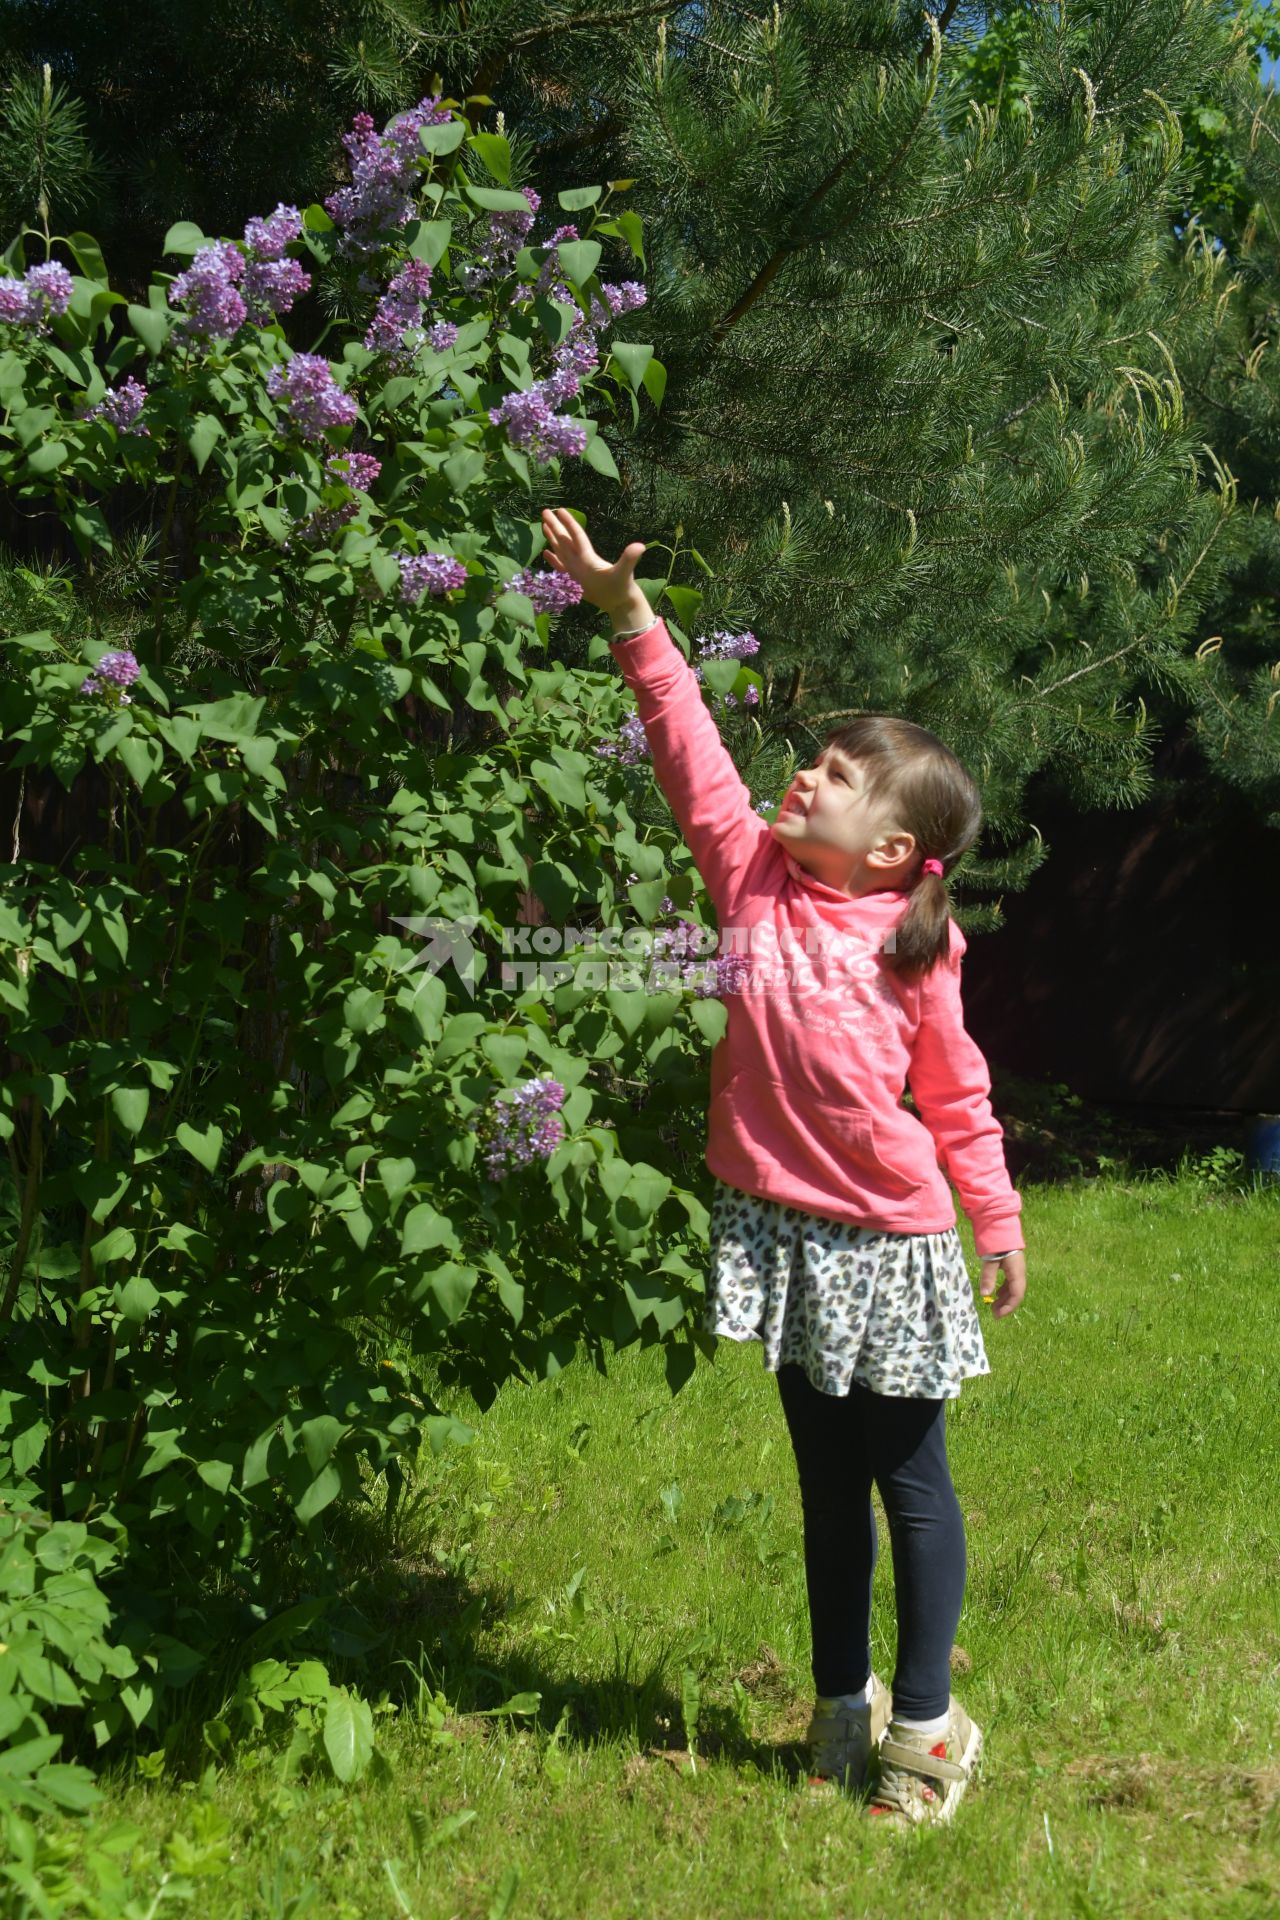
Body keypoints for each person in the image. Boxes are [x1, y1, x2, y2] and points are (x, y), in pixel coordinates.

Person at [538, 507, 1028, 1829]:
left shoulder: (911, 944)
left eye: (833, 776)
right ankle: (838, 1708)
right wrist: (629, 621)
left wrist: (993, 1213)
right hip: (785, 1238)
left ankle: (927, 1733)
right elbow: (690, 752)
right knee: (822, 1485)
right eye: (809, 761)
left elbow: (958, 1091)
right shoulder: (749, 877)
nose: (800, 778)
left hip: (893, 1248)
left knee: (909, 1486)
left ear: (887, 851)